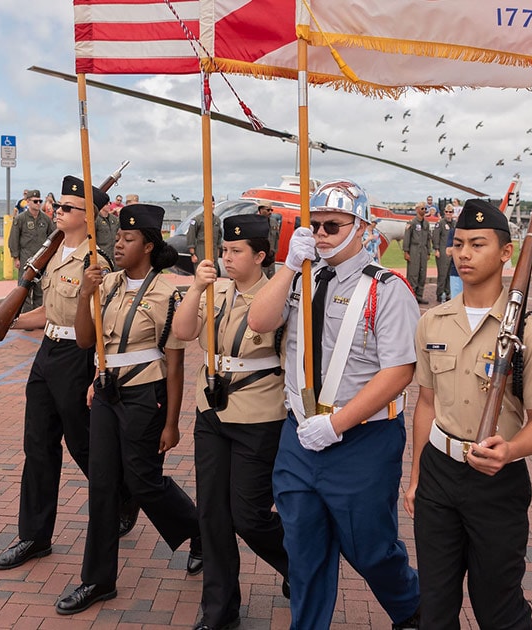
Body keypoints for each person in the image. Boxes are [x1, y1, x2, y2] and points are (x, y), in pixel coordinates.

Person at [247, 180, 421, 629]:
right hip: (300, 435)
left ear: (361, 227)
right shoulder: (302, 277)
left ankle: (413, 610)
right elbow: (260, 320)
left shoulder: (388, 289)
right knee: (303, 549)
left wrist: (338, 423)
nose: (321, 234)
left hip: (363, 438)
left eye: (332, 225)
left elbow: (399, 371)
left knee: (371, 549)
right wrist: (288, 265)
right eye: (315, 225)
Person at [406, 198, 532, 629]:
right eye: (458, 244)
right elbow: (425, 404)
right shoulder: (433, 321)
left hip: (496, 482)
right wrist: (417, 476)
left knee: (498, 608)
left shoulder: (529, 332)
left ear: (506, 252)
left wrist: (509, 450)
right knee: (435, 606)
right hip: (439, 473)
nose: (464, 254)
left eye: (478, 244)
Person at [0, 176, 138, 572]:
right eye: (58, 205)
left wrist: (95, 374)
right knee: (37, 444)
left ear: (87, 217)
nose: (58, 211)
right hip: (48, 351)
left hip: (77, 355)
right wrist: (8, 324)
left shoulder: (95, 264)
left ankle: (122, 494)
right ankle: (34, 536)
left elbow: (100, 325)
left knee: (83, 444)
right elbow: (50, 312)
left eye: (67, 208)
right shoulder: (51, 255)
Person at [58, 203, 201, 616]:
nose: (118, 245)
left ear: (149, 245)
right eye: (117, 237)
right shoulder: (107, 284)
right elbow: (86, 342)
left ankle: (202, 531)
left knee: (142, 482)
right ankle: (98, 580)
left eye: (128, 239)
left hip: (146, 393)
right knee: (102, 486)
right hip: (106, 392)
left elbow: (174, 363)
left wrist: (172, 423)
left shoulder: (168, 292)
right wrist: (85, 293)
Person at [173, 215, 290, 630]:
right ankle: (220, 611)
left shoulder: (278, 295)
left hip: (258, 415)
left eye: (236, 251)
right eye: (224, 250)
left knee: (249, 514)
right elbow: (184, 332)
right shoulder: (215, 290)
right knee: (212, 516)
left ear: (260, 255)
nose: (226, 257)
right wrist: (196, 287)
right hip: (212, 412)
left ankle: (296, 563)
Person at [7, 190, 56, 314]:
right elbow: (13, 239)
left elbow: (53, 237)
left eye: (40, 201)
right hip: (26, 257)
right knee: (25, 289)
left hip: (42, 258)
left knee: (40, 289)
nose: (38, 204)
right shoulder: (20, 219)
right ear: (27, 202)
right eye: (35, 201)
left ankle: (37, 316)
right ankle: (25, 316)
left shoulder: (45, 219)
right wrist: (15, 258)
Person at [403, 202, 432, 304]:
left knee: (422, 273)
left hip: (423, 250)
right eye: (422, 208)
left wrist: (429, 251)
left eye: (425, 209)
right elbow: (407, 237)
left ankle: (419, 295)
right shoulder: (412, 223)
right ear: (417, 209)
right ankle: (411, 296)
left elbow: (429, 238)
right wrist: (406, 251)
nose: (424, 210)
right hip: (414, 249)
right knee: (413, 274)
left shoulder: (426, 224)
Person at [431, 203, 456, 303]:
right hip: (442, 251)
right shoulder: (440, 223)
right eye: (447, 212)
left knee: (449, 274)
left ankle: (448, 292)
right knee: (442, 274)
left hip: (452, 252)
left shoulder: (454, 224)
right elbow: (435, 236)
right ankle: (440, 293)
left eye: (450, 212)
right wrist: (436, 249)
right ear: (444, 212)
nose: (448, 214)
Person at [258, 203, 283, 278]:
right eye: (268, 210)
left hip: (271, 257)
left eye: (271, 210)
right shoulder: (255, 222)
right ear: (261, 210)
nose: (270, 212)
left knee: (271, 278)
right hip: (260, 257)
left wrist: (274, 251)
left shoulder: (274, 222)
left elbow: (276, 238)